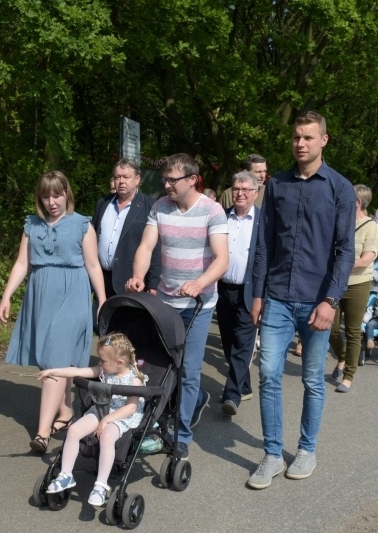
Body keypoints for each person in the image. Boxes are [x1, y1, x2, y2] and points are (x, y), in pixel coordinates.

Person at [248, 111, 355, 489]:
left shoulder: (339, 188)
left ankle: (307, 449)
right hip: (276, 296)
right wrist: (258, 293)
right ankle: (272, 454)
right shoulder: (276, 185)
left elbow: (345, 250)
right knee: (268, 374)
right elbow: (264, 243)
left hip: (316, 301)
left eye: (308, 137)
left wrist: (331, 300)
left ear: (324, 140)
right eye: (296, 137)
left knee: (312, 378)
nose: (301, 144)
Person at [126, 153, 229, 461]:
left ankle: (182, 434)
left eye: (172, 180)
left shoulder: (213, 211)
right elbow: (146, 246)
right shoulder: (160, 207)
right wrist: (138, 275)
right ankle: (159, 418)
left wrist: (200, 283)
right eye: (165, 179)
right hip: (166, 301)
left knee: (188, 369)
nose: (166, 184)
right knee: (160, 364)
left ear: (192, 179)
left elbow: (222, 259)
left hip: (198, 302)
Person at [0, 171, 107, 454]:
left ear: (66, 194)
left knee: (56, 357)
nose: (51, 201)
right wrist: (7, 296)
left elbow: (93, 265)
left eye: (56, 195)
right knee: (48, 358)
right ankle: (66, 412)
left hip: (73, 293)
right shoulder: (31, 225)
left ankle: (42, 433)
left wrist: (103, 300)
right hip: (40, 294)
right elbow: (22, 263)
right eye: (46, 196)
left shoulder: (83, 225)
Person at [38, 333, 145, 506]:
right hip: (102, 409)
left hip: (122, 416)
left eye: (102, 360)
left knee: (107, 436)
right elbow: (77, 372)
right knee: (73, 430)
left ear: (119, 363)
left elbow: (131, 407)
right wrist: (53, 371)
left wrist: (107, 420)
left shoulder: (134, 380)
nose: (99, 363)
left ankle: (101, 485)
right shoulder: (105, 370)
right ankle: (66, 475)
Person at [215, 171, 260, 415]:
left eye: (245, 189)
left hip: (248, 291)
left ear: (255, 193)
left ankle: (231, 395)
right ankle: (244, 385)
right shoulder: (220, 218)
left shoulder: (264, 221)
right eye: (236, 189)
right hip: (222, 289)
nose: (240, 193)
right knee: (228, 343)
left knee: (243, 343)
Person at [329, 184, 378, 393]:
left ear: (357, 203)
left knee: (352, 331)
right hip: (335, 283)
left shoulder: (371, 228)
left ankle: (349, 375)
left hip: (358, 285)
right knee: (330, 329)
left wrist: (339, 262)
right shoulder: (340, 223)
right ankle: (342, 355)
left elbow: (366, 260)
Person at [92, 159, 160, 298]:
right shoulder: (103, 203)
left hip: (130, 282)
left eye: (126, 177)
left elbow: (155, 248)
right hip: (101, 280)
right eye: (117, 177)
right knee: (99, 319)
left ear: (137, 179)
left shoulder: (150, 207)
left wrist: (153, 283)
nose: (121, 181)